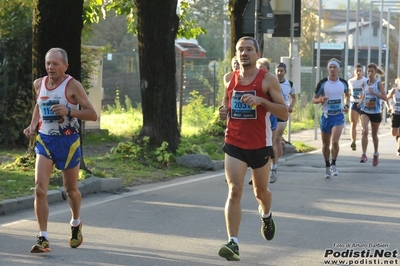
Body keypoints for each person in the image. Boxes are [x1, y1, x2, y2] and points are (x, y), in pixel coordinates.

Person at [218, 37, 288, 261]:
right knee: (235, 190)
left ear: (258, 53)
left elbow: (284, 113)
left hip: (260, 144)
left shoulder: (268, 80)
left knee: (260, 193)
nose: (244, 53)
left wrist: (262, 101)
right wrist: (222, 111)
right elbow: (226, 106)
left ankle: (266, 214)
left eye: (249, 49)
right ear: (236, 54)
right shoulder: (229, 79)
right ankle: (233, 243)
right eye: (241, 50)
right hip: (234, 142)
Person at [23, 48, 98, 253]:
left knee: (70, 190)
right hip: (46, 141)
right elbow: (39, 105)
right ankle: (43, 237)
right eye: (48, 63)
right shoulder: (39, 84)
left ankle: (75, 223)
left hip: (68, 143)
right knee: (39, 188)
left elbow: (93, 115)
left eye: (55, 64)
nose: (51, 67)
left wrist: (69, 111)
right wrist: (32, 126)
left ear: (65, 66)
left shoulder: (72, 85)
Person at [312, 58, 349, 178]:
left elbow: (347, 95)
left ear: (338, 69)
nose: (332, 69)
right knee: (325, 144)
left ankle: (334, 164)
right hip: (326, 116)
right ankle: (327, 166)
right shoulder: (323, 83)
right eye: (330, 67)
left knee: (335, 141)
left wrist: (347, 105)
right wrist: (320, 100)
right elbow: (314, 99)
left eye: (334, 67)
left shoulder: (343, 83)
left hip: (338, 116)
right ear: (328, 69)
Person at [248, 58, 277, 185]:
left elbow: (280, 106)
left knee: (270, 143)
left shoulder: (271, 81)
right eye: (259, 68)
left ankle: (272, 167)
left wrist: (263, 101)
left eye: (263, 68)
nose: (261, 71)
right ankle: (254, 173)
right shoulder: (251, 81)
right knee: (252, 144)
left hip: (271, 117)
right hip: (255, 119)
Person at [357, 63, 387, 165]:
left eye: (372, 72)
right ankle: (364, 154)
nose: (370, 74)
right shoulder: (364, 83)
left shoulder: (378, 84)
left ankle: (375, 154)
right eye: (368, 72)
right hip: (365, 110)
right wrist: (360, 102)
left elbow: (385, 97)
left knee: (374, 134)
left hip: (375, 112)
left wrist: (374, 93)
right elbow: (364, 95)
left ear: (375, 73)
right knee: (365, 131)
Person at [271, 62, 297, 182]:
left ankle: (274, 167)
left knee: (275, 138)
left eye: (282, 70)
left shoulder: (290, 84)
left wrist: (290, 106)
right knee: (271, 139)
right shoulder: (271, 82)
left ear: (285, 72)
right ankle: (278, 147)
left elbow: (294, 97)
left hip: (282, 113)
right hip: (271, 112)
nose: (279, 73)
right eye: (278, 70)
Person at [347, 64, 368, 151]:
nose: (358, 72)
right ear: (354, 71)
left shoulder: (365, 81)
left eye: (360, 70)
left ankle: (363, 140)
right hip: (354, 103)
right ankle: (353, 142)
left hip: (363, 104)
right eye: (357, 70)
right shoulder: (350, 81)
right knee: (353, 123)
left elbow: (368, 93)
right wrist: (347, 104)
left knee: (363, 126)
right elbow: (348, 94)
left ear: (362, 72)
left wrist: (363, 96)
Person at [385, 77, 400, 156]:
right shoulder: (394, 91)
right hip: (395, 113)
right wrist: (388, 107)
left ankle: (399, 149)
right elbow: (386, 98)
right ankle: (398, 138)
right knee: (394, 133)